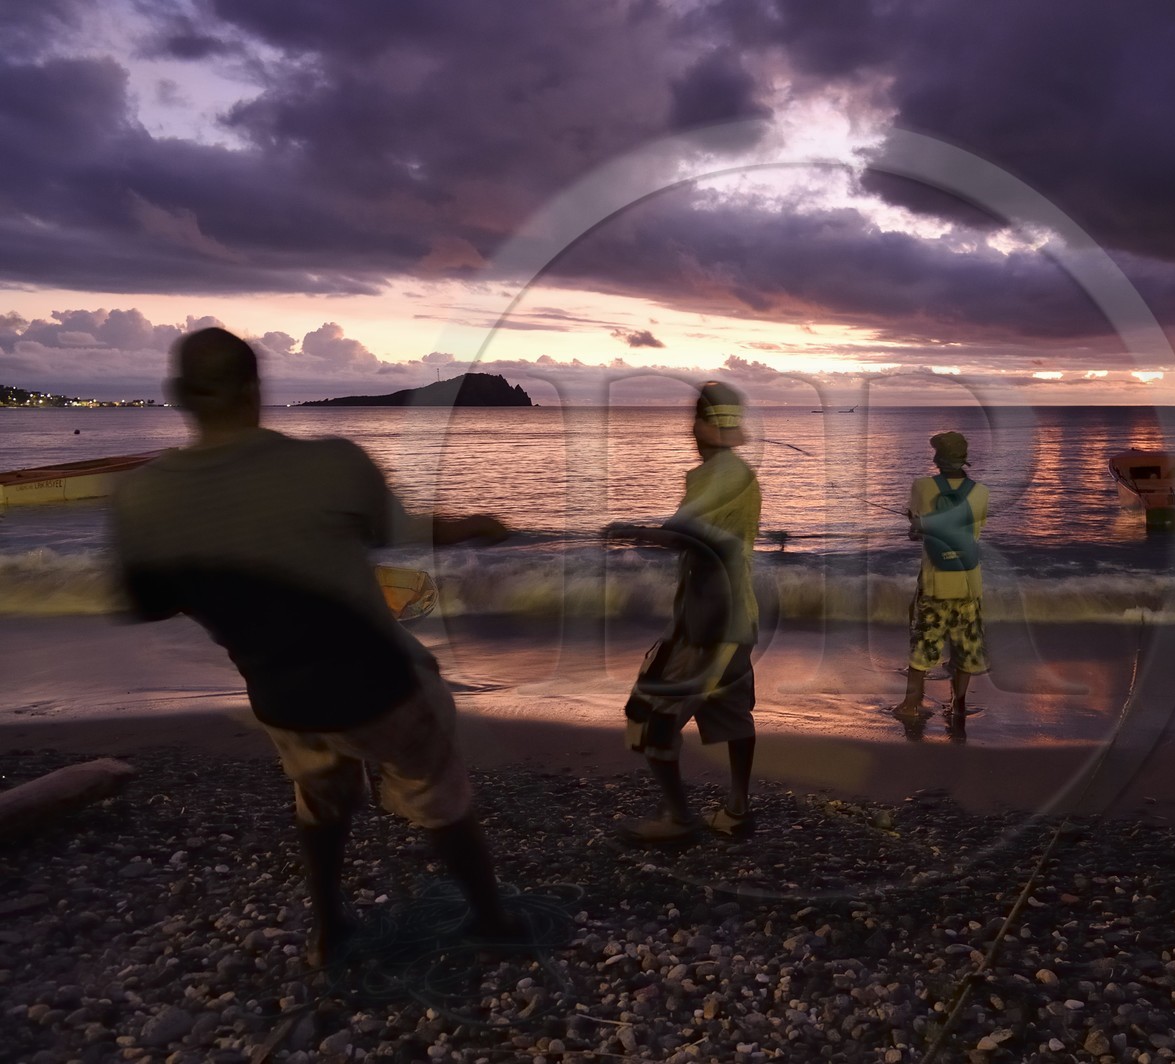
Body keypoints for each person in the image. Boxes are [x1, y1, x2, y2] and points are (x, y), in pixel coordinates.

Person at [110, 327, 524, 967]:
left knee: (320, 797)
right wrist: (479, 524)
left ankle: (329, 930)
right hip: (379, 689)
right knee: (440, 794)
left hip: (280, 694)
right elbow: (409, 530)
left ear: (178, 395)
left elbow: (148, 604)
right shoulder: (332, 464)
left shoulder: (139, 498)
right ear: (255, 387)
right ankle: (492, 920)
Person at [605, 381, 762, 843]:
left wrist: (630, 530)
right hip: (737, 617)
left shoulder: (717, 476)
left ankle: (678, 819)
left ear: (702, 426)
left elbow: (683, 535)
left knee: (648, 714)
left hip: (706, 623)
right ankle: (736, 810)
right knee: (733, 714)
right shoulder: (739, 473)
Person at [892, 431, 990, 730]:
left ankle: (912, 703)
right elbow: (975, 533)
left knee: (923, 642)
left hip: (935, 581)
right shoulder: (981, 492)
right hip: (968, 582)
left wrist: (917, 527)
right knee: (966, 645)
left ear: (938, 458)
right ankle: (958, 705)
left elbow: (916, 525)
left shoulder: (922, 486)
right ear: (964, 459)